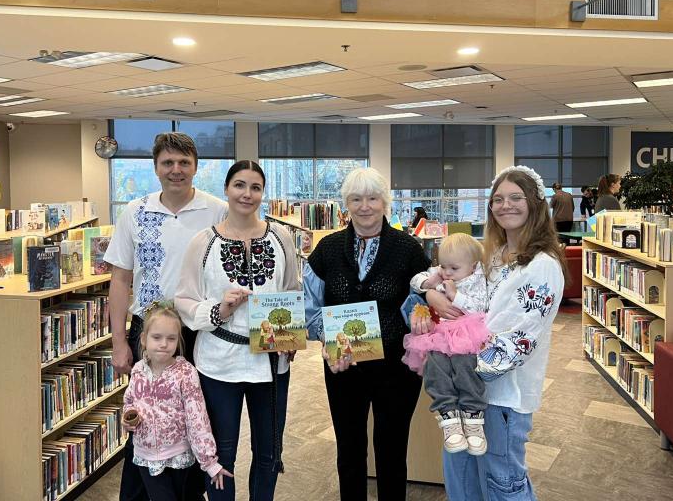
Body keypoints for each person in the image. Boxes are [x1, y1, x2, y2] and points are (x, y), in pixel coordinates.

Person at [105, 132, 228, 501]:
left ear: (196, 167)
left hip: (199, 329)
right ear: (156, 168)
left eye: (184, 163)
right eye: (168, 163)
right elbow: (120, 278)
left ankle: (188, 494)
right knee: (144, 416)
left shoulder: (217, 210)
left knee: (194, 418)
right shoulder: (135, 211)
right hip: (149, 332)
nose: (176, 171)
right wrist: (118, 343)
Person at [174, 160, 301, 501]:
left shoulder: (281, 237)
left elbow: (291, 291)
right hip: (218, 362)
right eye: (240, 185)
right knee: (219, 453)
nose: (247, 194)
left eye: (255, 187)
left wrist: (291, 337)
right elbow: (184, 300)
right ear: (227, 190)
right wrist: (219, 309)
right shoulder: (203, 243)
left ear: (263, 193)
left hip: (271, 362)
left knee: (269, 453)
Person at [438, 165, 566, 500]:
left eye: (515, 198)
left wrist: (454, 370)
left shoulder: (542, 266)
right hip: (470, 395)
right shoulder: (493, 256)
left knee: (502, 486)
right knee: (463, 483)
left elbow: (515, 345)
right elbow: (472, 308)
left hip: (502, 398)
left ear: (535, 204)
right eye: (498, 199)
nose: (505, 205)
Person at [304, 167, 431, 501]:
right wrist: (330, 342)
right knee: (349, 450)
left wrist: (420, 316)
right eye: (356, 199)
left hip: (396, 369)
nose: (364, 206)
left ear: (384, 202)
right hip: (342, 367)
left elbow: (424, 299)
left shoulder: (409, 249)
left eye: (372, 198)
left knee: (391, 450)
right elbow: (309, 304)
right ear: (346, 203)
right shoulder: (327, 250)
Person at [123, 306, 233, 501]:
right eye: (156, 337)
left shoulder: (185, 373)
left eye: (171, 338)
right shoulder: (138, 371)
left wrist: (209, 462)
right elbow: (130, 401)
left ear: (178, 340)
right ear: (143, 339)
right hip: (146, 457)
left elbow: (197, 419)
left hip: (178, 456)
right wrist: (129, 417)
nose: (164, 344)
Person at [402, 233, 490, 456]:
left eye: (454, 268)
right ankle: (448, 415)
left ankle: (472, 417)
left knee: (465, 367)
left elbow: (480, 306)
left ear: (473, 266)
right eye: (443, 266)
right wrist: (428, 284)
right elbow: (415, 280)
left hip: (467, 331)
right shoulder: (441, 273)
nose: (447, 272)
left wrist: (456, 295)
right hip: (440, 333)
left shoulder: (478, 280)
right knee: (436, 367)